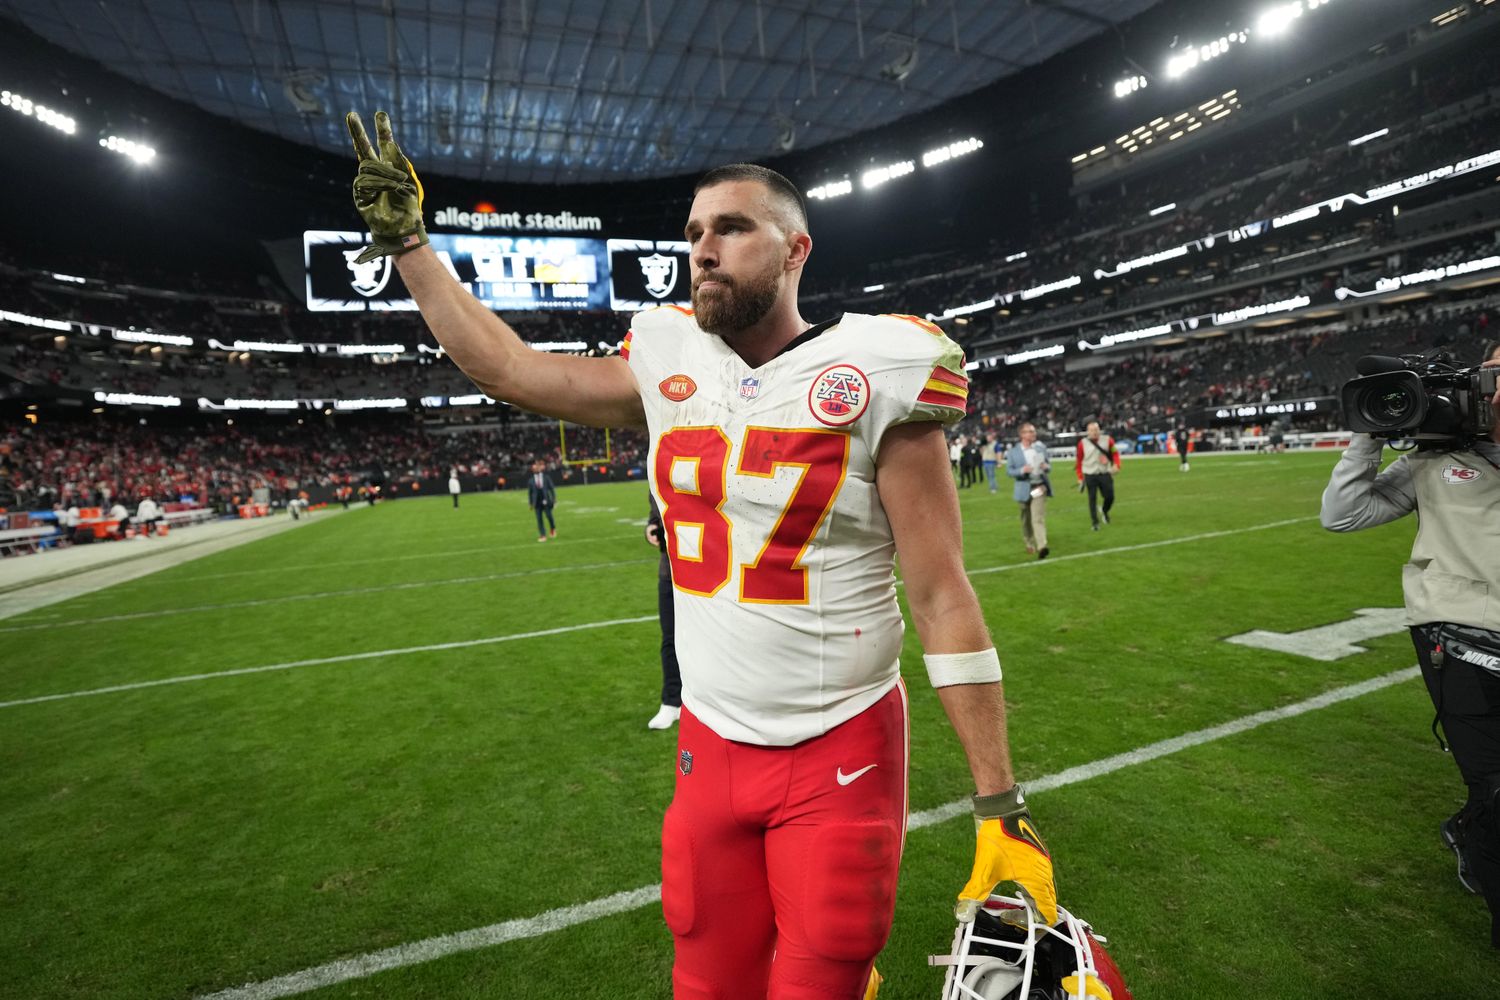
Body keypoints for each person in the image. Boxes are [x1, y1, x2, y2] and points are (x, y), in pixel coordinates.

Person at [345, 110, 1057, 1000]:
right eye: (692, 233)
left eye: (731, 227)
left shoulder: (881, 366)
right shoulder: (666, 351)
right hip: (710, 743)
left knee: (821, 981)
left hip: (838, 745)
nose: (703, 249)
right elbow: (512, 371)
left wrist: (999, 803)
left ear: (797, 249)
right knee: (705, 984)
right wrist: (412, 246)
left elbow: (942, 596)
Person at [1320, 358, 1500, 948]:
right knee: (1494, 783)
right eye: (1492, 374)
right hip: (1461, 638)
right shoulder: (1433, 458)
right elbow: (1342, 514)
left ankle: (1468, 828)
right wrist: (1368, 433)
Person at [644, 493, 683, 730]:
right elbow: (654, 516)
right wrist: (651, 530)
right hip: (668, 571)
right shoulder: (656, 471)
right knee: (669, 638)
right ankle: (671, 701)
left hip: (704, 575)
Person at [1006, 423, 1052, 559]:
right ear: (1022, 434)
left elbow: (1050, 467)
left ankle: (1042, 546)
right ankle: (1029, 541)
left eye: (1033, 431)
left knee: (1037, 518)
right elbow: (1009, 471)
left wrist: (1045, 466)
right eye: (1030, 432)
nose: (1033, 434)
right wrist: (1022, 470)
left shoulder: (1040, 448)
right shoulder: (1013, 452)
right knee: (1026, 519)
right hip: (1023, 488)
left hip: (1039, 487)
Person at [1074, 421, 1120, 531]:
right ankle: (1095, 523)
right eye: (1091, 430)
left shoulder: (1108, 440)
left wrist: (1117, 465)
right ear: (1088, 432)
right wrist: (1080, 477)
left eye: (1096, 430)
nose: (1094, 432)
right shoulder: (1082, 444)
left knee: (1110, 496)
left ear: (1099, 430)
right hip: (1090, 474)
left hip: (1105, 472)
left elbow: (1115, 453)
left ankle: (1104, 510)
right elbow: (1079, 461)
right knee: (1092, 498)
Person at [527, 460, 557, 541]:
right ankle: (543, 535)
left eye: (537, 467)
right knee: (539, 519)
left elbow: (551, 489)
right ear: (533, 470)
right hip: (537, 502)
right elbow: (530, 493)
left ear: (540, 468)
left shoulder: (546, 477)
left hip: (546, 500)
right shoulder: (530, 480)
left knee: (549, 516)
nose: (536, 469)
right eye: (534, 468)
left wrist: (554, 499)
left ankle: (552, 528)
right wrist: (530, 503)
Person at [982, 428, 1000, 493]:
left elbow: (998, 453)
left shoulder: (995, 444)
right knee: (988, 476)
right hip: (985, 462)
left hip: (991, 462)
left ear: (992, 438)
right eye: (987, 437)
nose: (988, 439)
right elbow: (982, 452)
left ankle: (993, 488)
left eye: (989, 437)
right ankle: (994, 486)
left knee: (991, 475)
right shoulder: (985, 444)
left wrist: (999, 462)